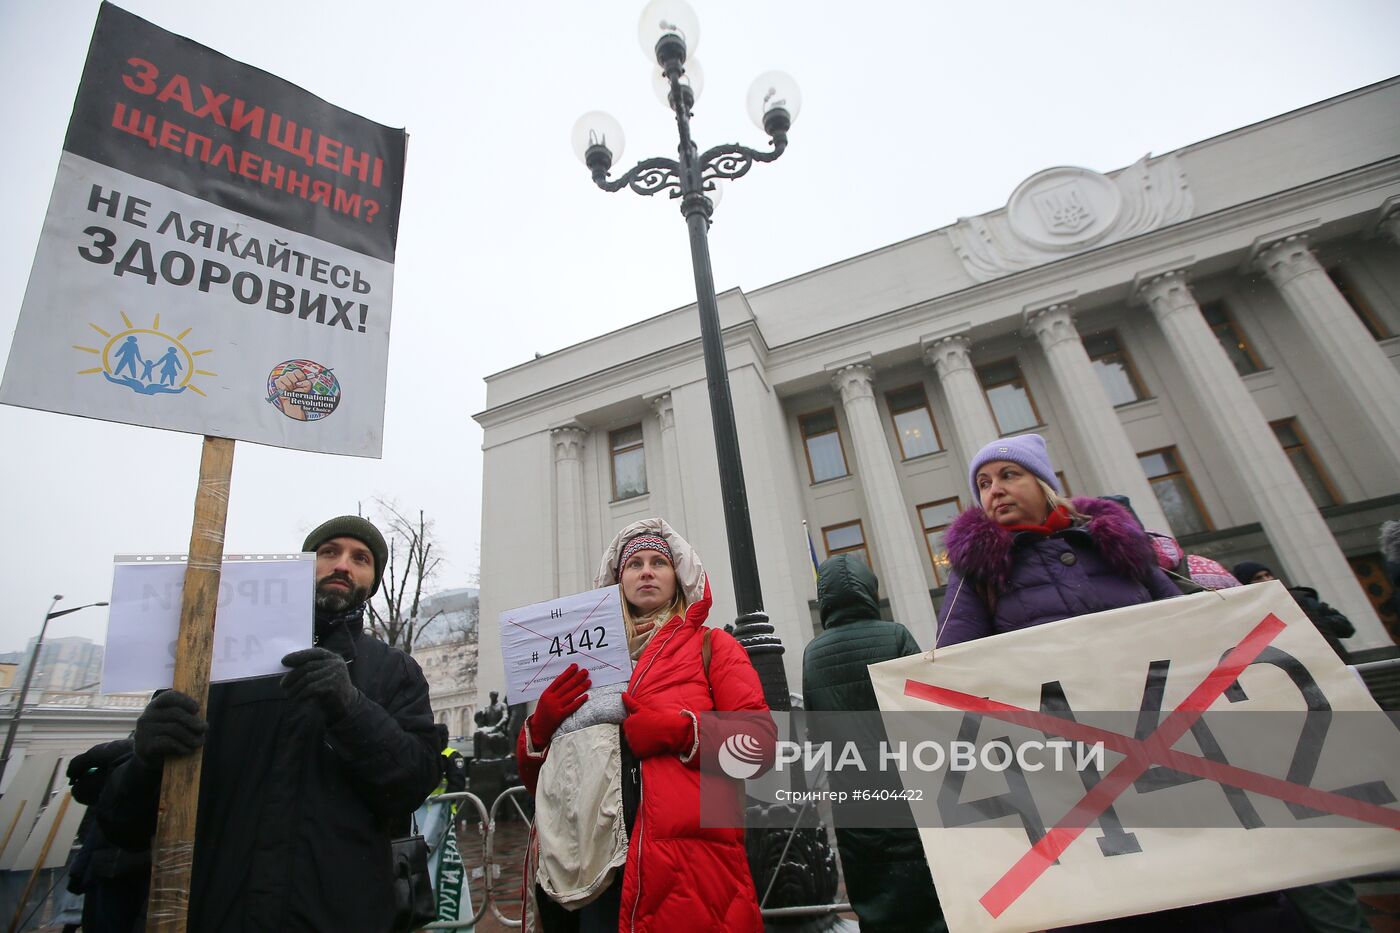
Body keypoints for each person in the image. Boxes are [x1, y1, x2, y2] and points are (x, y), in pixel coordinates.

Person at [940, 436, 1302, 931]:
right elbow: (953, 671)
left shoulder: (1114, 543)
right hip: (1070, 766)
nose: (995, 491)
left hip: (1175, 747)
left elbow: (1193, 630)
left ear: (1043, 484)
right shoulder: (975, 573)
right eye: (983, 483)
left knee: (1225, 891)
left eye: (1009, 475)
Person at [96, 515, 443, 932]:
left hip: (337, 916)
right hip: (213, 911)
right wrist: (145, 760)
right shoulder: (211, 661)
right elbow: (122, 823)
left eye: (361, 558)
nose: (343, 566)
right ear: (300, 566)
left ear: (372, 580)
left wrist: (351, 709)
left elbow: (412, 784)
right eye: (329, 552)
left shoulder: (395, 672)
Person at [515, 517, 774, 932]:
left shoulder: (712, 645)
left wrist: (682, 732)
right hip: (595, 869)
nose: (647, 571)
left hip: (690, 866)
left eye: (659, 562)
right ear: (618, 582)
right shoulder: (579, 662)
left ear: (679, 576)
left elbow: (759, 749)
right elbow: (540, 785)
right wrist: (539, 731)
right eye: (635, 564)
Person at [802, 553, 945, 932]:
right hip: (908, 792)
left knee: (874, 901)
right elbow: (926, 714)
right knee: (930, 898)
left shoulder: (813, 654)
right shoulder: (895, 635)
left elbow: (816, 731)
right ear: (869, 589)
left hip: (853, 801)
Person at [1231, 560, 1356, 662]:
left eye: (1267, 575)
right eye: (1258, 578)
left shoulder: (1300, 598)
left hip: (1333, 661)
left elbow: (1345, 628)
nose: (1266, 580)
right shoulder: (1248, 612)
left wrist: (1312, 622)